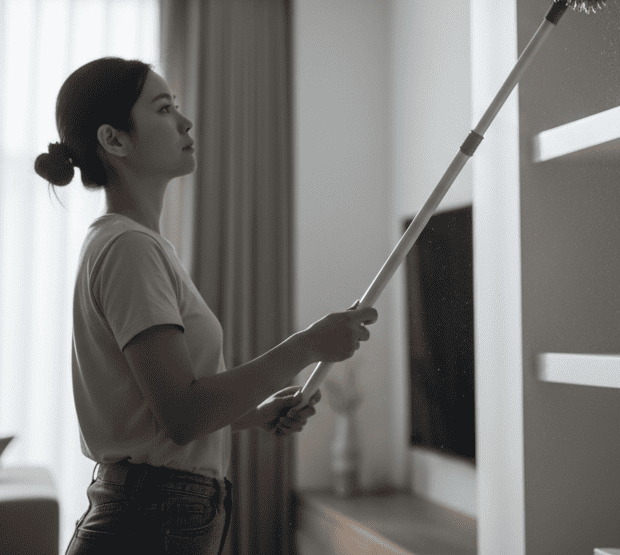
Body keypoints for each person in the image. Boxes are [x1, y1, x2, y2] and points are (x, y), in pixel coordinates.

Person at [34, 57, 376, 555]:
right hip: (150, 523)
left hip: (155, 515)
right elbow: (184, 414)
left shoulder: (135, 246)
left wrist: (254, 414)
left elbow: (157, 414)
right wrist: (308, 345)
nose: (185, 121)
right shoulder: (129, 249)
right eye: (164, 108)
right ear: (115, 140)